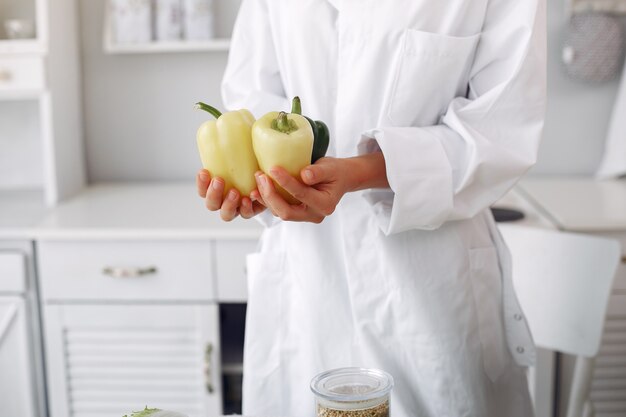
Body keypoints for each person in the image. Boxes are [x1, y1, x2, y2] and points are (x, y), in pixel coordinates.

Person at [196, 1, 546, 416]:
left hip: (430, 294)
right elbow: (250, 99)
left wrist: (361, 171)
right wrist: (260, 186)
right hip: (307, 285)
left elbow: (500, 131)